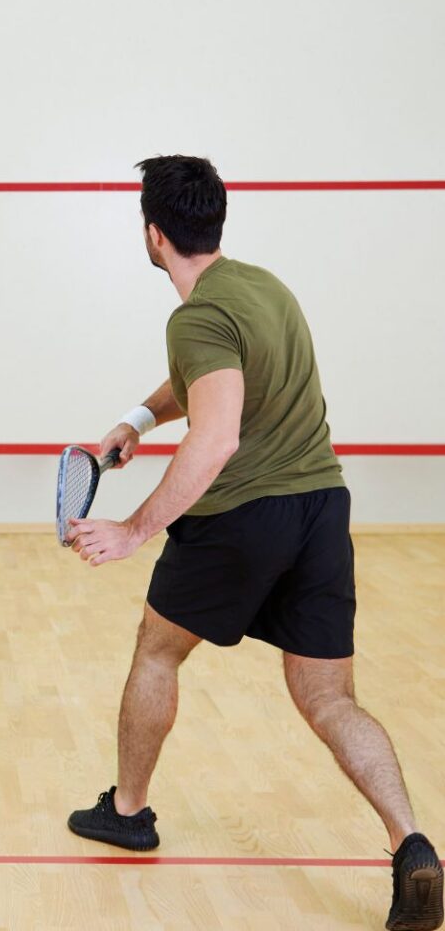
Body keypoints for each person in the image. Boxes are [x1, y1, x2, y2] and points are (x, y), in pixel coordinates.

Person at [65, 156, 442, 931]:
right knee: (331, 697)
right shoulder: (262, 288)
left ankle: (129, 812)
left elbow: (218, 436)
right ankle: (413, 844)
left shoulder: (196, 315)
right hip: (322, 510)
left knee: (157, 650)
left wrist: (136, 529)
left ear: (153, 232)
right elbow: (212, 375)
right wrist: (138, 420)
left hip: (243, 516)